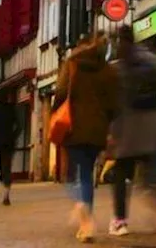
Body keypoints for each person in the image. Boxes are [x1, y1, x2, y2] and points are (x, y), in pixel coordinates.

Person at [53, 33, 119, 243]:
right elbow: (113, 105)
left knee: (73, 176)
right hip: (97, 130)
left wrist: (55, 112)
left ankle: (82, 210)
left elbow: (61, 93)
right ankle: (86, 223)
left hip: (74, 127)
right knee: (87, 176)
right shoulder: (108, 71)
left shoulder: (72, 64)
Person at [107, 26, 156, 238]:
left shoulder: (116, 67)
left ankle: (120, 222)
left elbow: (112, 104)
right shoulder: (151, 61)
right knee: (151, 176)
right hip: (151, 126)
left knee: (121, 176)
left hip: (127, 129)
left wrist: (110, 132)